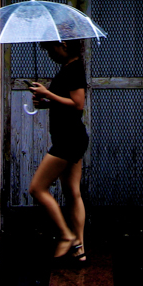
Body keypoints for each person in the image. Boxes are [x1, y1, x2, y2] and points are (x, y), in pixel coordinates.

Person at [27, 39, 90, 264]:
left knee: (37, 188)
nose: (49, 54)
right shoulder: (67, 68)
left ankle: (66, 235)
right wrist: (44, 101)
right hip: (70, 137)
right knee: (73, 193)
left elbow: (78, 104)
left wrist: (48, 94)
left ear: (64, 45)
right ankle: (79, 249)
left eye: (51, 48)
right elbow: (65, 103)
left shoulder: (74, 69)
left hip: (68, 139)